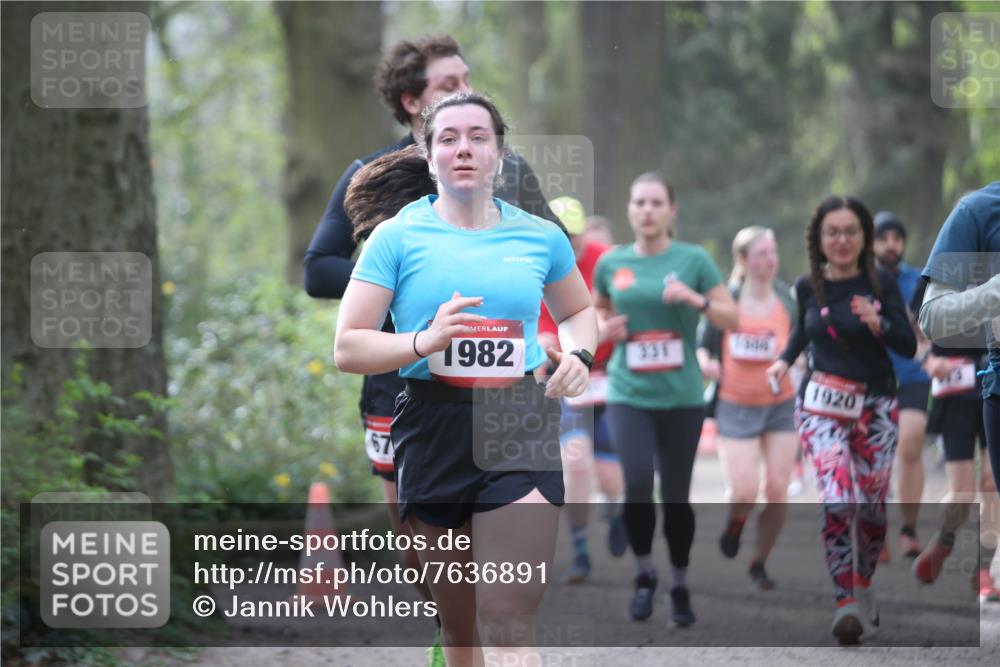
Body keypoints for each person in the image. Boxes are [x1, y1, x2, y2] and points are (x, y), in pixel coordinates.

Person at [302, 37, 559, 662]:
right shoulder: (376, 183)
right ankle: (452, 634)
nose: (465, 93)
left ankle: (480, 636)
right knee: (431, 563)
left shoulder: (511, 173)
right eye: (449, 85)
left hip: (506, 402)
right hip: (403, 382)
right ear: (413, 103)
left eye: (470, 80)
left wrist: (558, 341)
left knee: (507, 600)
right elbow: (317, 271)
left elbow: (557, 259)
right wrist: (400, 278)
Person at [334, 92, 597, 666]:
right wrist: (422, 342)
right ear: (428, 156)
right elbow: (348, 345)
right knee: (459, 631)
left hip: (517, 422)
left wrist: (579, 354)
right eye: (448, 138)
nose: (463, 149)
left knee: (507, 617)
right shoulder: (396, 238)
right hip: (432, 425)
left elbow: (578, 310)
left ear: (499, 155)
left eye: (479, 137)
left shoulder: (539, 236)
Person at [766, 196, 916, 645]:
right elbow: (801, 329)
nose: (842, 240)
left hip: (875, 406)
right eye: (832, 232)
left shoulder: (882, 282)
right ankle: (844, 601)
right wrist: (782, 361)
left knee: (870, 510)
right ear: (819, 240)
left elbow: (907, 345)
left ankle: (864, 582)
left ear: (864, 237)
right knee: (837, 497)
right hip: (821, 406)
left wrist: (880, 323)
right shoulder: (807, 285)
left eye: (851, 231)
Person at [593, 172, 738, 627]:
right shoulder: (611, 264)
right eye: (639, 203)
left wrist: (695, 300)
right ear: (630, 210)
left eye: (656, 202)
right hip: (627, 391)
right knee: (637, 484)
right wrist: (602, 328)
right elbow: (596, 312)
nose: (647, 210)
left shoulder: (693, 259)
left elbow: (730, 316)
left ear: (672, 210)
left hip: (681, 396)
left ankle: (678, 580)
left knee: (675, 496)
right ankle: (643, 575)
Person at [697, 226, 798, 591]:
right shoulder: (728, 299)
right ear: (742, 260)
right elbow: (703, 343)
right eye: (760, 254)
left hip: (780, 404)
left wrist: (799, 365)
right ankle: (736, 522)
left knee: (777, 487)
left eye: (772, 253)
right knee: (744, 490)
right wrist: (706, 363)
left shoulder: (787, 299)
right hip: (735, 404)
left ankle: (760, 561)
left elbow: (802, 343)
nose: (769, 260)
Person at [915, 182, 1000, 599]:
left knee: (989, 485)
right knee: (964, 489)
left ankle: (985, 568)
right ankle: (947, 540)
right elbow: (922, 325)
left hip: (986, 375)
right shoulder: (969, 224)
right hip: (959, 391)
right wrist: (930, 361)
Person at [536, 197, 626, 584]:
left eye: (574, 235)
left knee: (609, 476)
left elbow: (629, 307)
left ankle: (618, 510)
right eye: (561, 234)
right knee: (574, 464)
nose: (569, 243)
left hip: (609, 378)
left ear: (586, 232)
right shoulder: (539, 263)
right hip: (569, 378)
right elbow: (541, 329)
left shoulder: (608, 259)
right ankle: (581, 550)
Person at [872, 211, 931, 559]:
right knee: (876, 455)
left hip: (912, 373)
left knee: (910, 444)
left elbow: (928, 326)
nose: (891, 245)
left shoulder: (918, 279)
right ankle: (874, 528)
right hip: (873, 375)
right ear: (872, 242)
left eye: (897, 238)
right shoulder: (863, 279)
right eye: (883, 238)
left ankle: (909, 528)